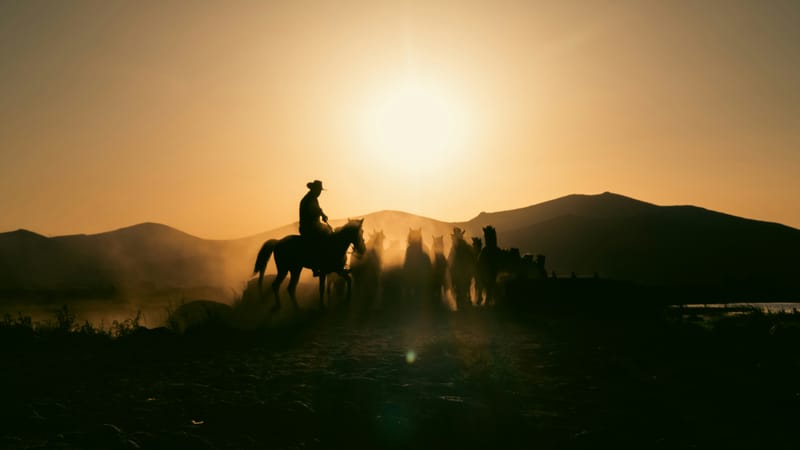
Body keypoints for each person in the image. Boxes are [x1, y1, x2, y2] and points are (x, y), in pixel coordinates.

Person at [299, 180, 332, 275]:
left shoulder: (313, 198)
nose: (319, 193)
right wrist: (320, 215)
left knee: (328, 230)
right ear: (314, 189)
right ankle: (316, 265)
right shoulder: (308, 199)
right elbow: (312, 212)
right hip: (308, 227)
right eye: (319, 190)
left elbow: (318, 209)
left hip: (313, 225)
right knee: (322, 238)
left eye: (320, 191)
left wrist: (323, 214)